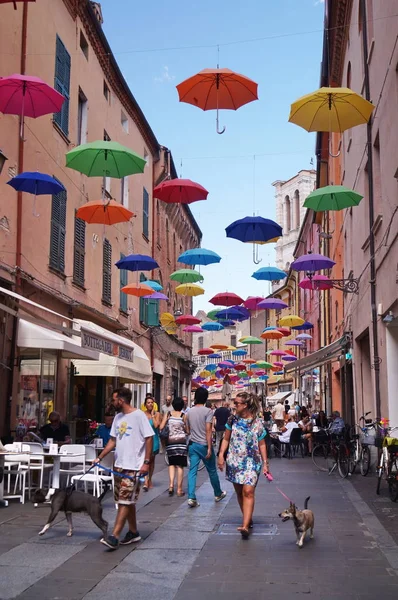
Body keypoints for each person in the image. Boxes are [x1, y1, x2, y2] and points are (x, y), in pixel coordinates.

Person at [94, 387, 154, 550]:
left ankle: (114, 536)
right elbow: (113, 440)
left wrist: (146, 462)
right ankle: (133, 532)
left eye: (114, 399)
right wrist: (100, 456)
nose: (112, 402)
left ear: (121, 400)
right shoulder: (118, 417)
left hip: (134, 467)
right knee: (127, 501)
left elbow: (149, 438)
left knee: (124, 501)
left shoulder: (139, 416)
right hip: (119, 466)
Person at [218, 392, 269, 539]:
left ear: (245, 405)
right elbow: (226, 439)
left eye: (237, 403)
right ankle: (248, 518)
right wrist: (221, 455)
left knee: (248, 491)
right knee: (240, 493)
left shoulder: (257, 422)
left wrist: (266, 463)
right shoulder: (232, 420)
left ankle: (245, 525)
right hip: (234, 461)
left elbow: (262, 444)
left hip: (252, 462)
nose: (235, 406)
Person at [185, 387, 226, 508]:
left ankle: (191, 497)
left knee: (192, 471)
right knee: (212, 470)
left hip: (193, 444)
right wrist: (209, 447)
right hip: (203, 444)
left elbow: (187, 429)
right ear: (206, 398)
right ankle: (218, 493)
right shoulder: (208, 411)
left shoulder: (189, 412)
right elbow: (208, 430)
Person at [160, 397, 188, 496]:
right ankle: (179, 489)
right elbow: (188, 431)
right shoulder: (184, 415)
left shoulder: (168, 414)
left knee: (171, 464)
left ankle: (171, 485)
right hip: (181, 443)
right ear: (182, 406)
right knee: (180, 465)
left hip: (170, 442)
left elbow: (161, 426)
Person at [142, 396, 161, 491]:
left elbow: (157, 425)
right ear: (145, 404)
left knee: (152, 461)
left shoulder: (157, 414)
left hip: (154, 439)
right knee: (146, 460)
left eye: (151, 402)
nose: (150, 404)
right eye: (148, 402)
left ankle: (150, 479)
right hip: (145, 440)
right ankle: (146, 481)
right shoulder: (142, 415)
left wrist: (153, 416)